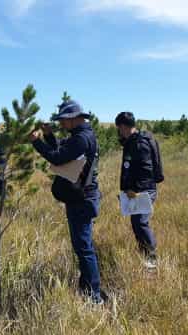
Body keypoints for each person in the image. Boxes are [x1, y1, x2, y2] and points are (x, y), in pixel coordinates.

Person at [30, 100, 104, 304]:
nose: (61, 124)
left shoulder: (81, 139)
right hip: (82, 198)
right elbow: (63, 150)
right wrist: (48, 135)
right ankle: (88, 286)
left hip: (82, 200)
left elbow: (57, 157)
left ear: (73, 119)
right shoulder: (81, 136)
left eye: (63, 120)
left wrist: (36, 142)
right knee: (84, 246)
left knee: (84, 248)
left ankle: (94, 295)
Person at [115, 111, 165, 271]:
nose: (118, 132)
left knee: (141, 223)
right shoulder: (133, 141)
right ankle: (145, 255)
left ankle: (152, 258)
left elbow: (145, 169)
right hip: (137, 190)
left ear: (123, 126)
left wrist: (134, 190)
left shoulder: (140, 143)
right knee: (137, 223)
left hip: (143, 191)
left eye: (119, 128)